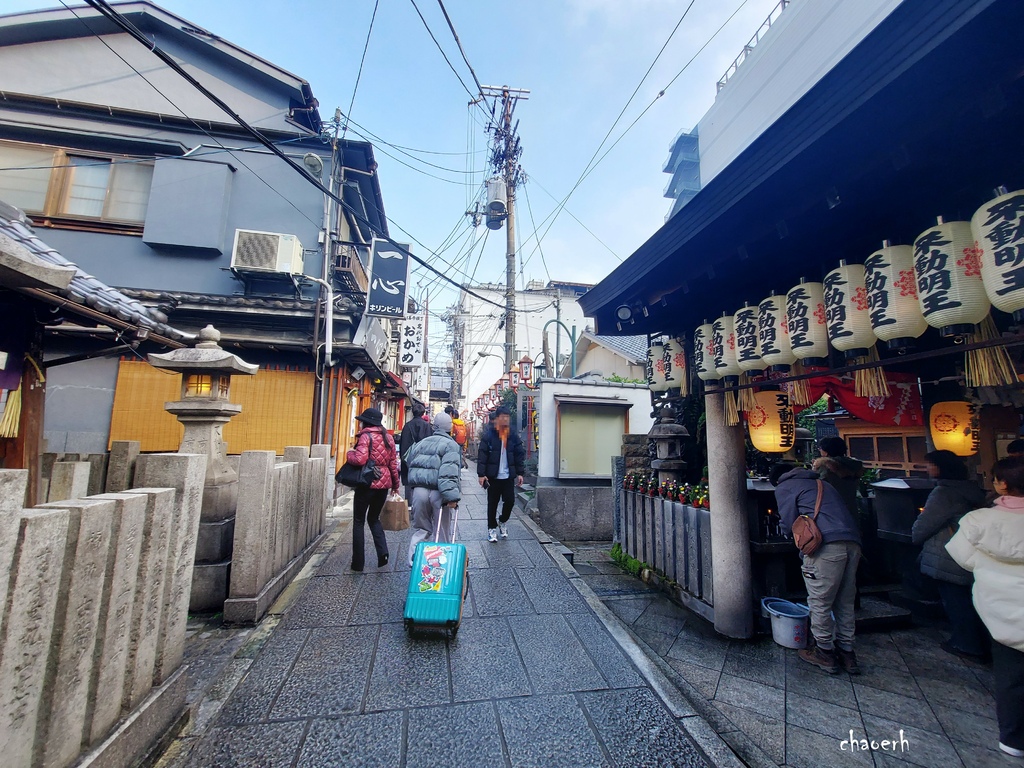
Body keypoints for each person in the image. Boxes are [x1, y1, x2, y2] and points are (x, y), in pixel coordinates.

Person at [947, 456, 1024, 758]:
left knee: (1011, 676)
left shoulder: (977, 521)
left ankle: (1013, 739)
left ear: (1002, 484)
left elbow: (963, 558)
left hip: (1000, 610)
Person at [770, 461, 863, 675]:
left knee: (820, 600)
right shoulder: (823, 483)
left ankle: (823, 651)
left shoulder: (785, 487)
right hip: (852, 543)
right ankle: (847, 652)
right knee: (845, 600)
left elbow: (789, 521)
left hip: (826, 547)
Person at [912, 450, 989, 661]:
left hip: (947, 552)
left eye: (929, 464)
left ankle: (967, 644)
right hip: (969, 551)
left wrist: (914, 535)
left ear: (940, 466)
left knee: (955, 600)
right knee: (968, 599)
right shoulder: (972, 489)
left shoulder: (944, 493)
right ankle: (979, 642)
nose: (927, 469)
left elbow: (926, 523)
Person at [404, 412, 463, 566]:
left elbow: (409, 461)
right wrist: (452, 497)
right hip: (439, 493)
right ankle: (440, 566)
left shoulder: (421, 443)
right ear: (450, 428)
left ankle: (413, 562)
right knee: (441, 530)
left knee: (422, 529)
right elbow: (449, 473)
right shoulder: (451, 445)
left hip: (419, 491)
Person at [346, 407, 400, 572]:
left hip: (367, 484)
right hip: (383, 485)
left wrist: (349, 454)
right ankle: (383, 555)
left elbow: (360, 458)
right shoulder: (388, 437)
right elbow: (393, 464)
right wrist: (395, 486)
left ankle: (358, 563)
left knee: (359, 521)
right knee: (374, 519)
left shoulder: (366, 436)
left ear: (366, 422)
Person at [477, 406, 525, 543]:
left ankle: (502, 521)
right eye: (502, 416)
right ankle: (491, 528)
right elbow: (482, 455)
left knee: (510, 501)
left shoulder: (513, 436)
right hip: (493, 477)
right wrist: (481, 474)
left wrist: (520, 473)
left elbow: (519, 454)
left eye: (507, 417)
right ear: (496, 419)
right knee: (492, 503)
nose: (505, 419)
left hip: (508, 476)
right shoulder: (489, 436)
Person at [813, 436, 864, 518]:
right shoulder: (854, 465)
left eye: (820, 448)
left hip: (831, 509)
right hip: (851, 507)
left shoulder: (824, 466)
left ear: (826, 451)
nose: (819, 450)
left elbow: (816, 486)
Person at [398, 402, 433, 499]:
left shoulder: (407, 426)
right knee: (421, 483)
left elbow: (403, 444)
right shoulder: (427, 426)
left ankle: (408, 502)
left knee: (409, 481)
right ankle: (419, 503)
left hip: (409, 459)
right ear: (423, 413)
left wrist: (403, 458)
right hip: (423, 459)